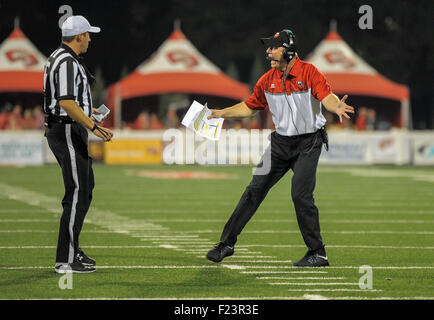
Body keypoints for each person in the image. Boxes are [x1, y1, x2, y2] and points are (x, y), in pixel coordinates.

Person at [206, 29, 355, 267]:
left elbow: (327, 96)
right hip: (280, 144)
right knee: (253, 190)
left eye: (273, 47)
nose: (268, 52)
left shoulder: (310, 72)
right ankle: (226, 244)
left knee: (300, 195)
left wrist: (336, 107)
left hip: (309, 143)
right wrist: (221, 114)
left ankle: (318, 252)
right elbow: (250, 107)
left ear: (289, 50)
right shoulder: (267, 79)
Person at [43, 15, 113, 274]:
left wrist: (89, 110)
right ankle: (65, 259)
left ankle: (73, 249)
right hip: (67, 131)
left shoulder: (59, 57)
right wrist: (93, 126)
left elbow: (68, 101)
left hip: (66, 128)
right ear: (79, 36)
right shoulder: (68, 62)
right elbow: (65, 102)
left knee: (84, 188)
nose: (90, 39)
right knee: (76, 192)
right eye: (88, 35)